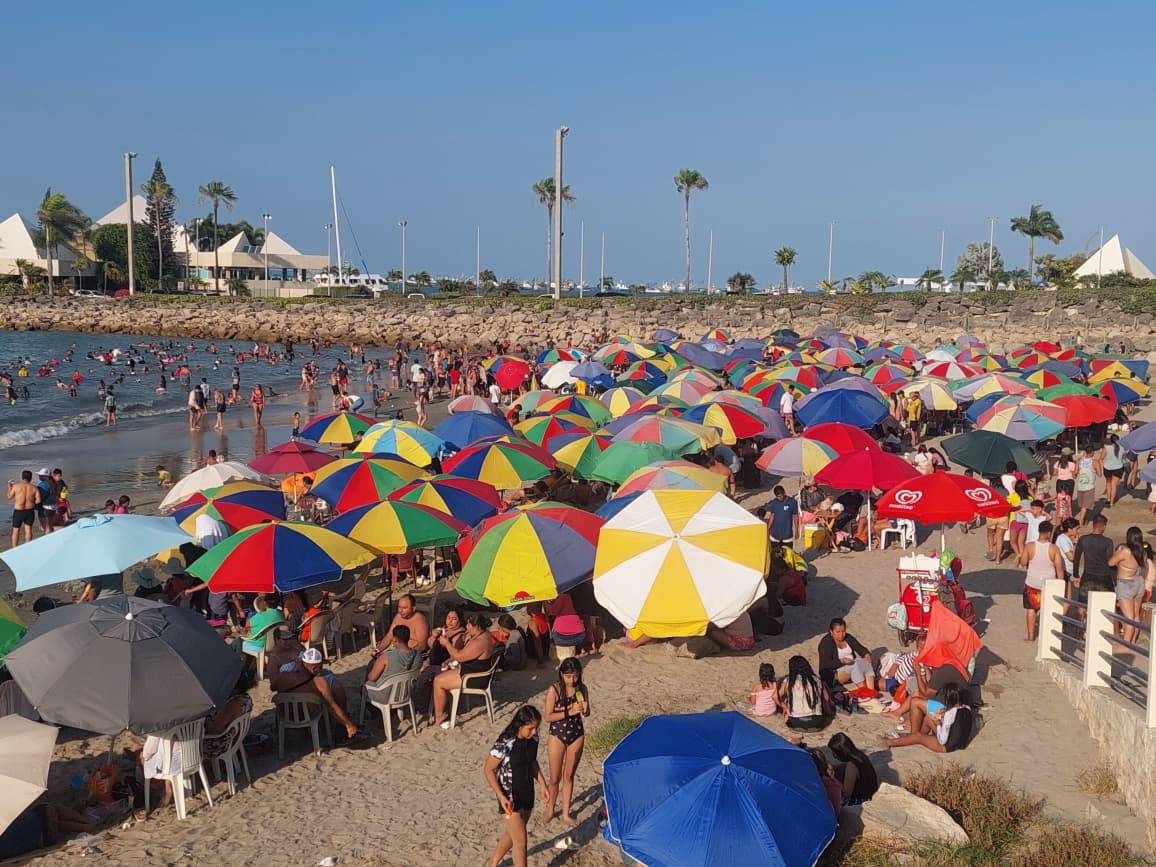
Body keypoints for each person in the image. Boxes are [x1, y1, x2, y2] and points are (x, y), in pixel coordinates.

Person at [483, 705, 549, 867]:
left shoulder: (533, 740)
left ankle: (493, 862)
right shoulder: (506, 742)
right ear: (520, 725)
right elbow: (488, 769)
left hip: (527, 792)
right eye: (531, 728)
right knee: (521, 842)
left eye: (536, 728)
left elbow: (532, 762)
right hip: (509, 796)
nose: (534, 732)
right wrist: (500, 796)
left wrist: (542, 784)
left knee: (513, 835)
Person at [270, 647, 360, 741]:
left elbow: (273, 687)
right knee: (329, 703)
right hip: (309, 716)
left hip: (286, 716)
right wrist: (349, 725)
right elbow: (332, 707)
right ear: (314, 668)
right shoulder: (319, 681)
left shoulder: (284, 677)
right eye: (320, 667)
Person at [543, 657, 591, 824]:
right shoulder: (554, 690)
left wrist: (584, 710)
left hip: (576, 733)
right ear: (562, 674)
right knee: (554, 777)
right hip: (558, 733)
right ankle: (550, 809)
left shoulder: (581, 689)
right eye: (568, 676)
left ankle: (565, 813)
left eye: (575, 676)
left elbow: (586, 713)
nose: (572, 679)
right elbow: (548, 716)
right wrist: (569, 711)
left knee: (569, 775)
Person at [431, 613, 495, 729]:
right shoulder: (483, 635)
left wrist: (447, 644)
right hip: (473, 670)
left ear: (477, 627)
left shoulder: (480, 642)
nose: (467, 627)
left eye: (469, 625)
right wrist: (450, 660)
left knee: (438, 681)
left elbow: (460, 656)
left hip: (474, 677)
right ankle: (445, 708)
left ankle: (439, 716)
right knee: (443, 672)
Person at [881, 683, 974, 753]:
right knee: (928, 719)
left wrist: (938, 724)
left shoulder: (951, 713)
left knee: (918, 737)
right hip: (960, 744)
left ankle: (888, 743)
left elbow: (942, 740)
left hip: (946, 747)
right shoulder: (967, 708)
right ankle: (912, 738)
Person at [1018, 520, 1063, 641]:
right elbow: (1059, 568)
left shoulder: (1030, 546)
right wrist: (1061, 583)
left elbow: (1023, 562)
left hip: (1032, 582)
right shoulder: (1054, 548)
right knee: (1048, 610)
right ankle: (1047, 635)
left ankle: (1030, 636)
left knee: (1031, 609)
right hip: (1049, 583)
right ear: (1049, 533)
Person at [1109, 526, 1151, 647]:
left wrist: (1117, 552)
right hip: (1138, 582)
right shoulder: (1143, 551)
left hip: (1125, 583)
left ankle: (1125, 645)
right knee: (1136, 615)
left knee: (1129, 618)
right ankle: (1132, 642)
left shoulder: (1125, 551)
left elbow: (1111, 562)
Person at [818, 617, 880, 691]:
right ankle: (864, 691)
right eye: (838, 632)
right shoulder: (826, 643)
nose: (841, 634)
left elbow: (860, 648)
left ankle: (871, 690)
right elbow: (825, 664)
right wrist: (841, 661)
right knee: (855, 665)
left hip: (850, 667)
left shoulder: (848, 637)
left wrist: (866, 654)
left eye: (843, 631)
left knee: (866, 661)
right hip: (833, 674)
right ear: (831, 631)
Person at [778, 655, 833, 731]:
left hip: (795, 722)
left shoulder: (788, 680)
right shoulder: (816, 680)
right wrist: (828, 713)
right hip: (816, 722)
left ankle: (789, 715)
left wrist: (785, 708)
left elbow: (775, 696)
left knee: (786, 700)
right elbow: (826, 698)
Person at [1073, 514, 1114, 608]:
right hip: (1104, 577)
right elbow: (1110, 562)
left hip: (1088, 575)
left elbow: (1076, 559)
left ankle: (1079, 622)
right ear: (1104, 526)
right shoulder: (1108, 542)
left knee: (1082, 605)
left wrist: (1076, 575)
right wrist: (1114, 580)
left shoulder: (1083, 539)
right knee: (1107, 606)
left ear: (1093, 525)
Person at [828, 732, 879, 805]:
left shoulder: (852, 766)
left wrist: (831, 777)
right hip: (870, 793)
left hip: (860, 800)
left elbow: (846, 793)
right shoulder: (860, 755)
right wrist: (835, 767)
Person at [546, 592, 586, 656]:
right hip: (579, 637)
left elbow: (552, 611)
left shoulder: (564, 597)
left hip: (561, 639)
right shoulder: (579, 597)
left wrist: (546, 602)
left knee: (554, 631)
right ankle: (580, 648)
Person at [7, 470, 40, 547]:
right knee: (28, 530)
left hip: (19, 511)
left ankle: (14, 548)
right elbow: (38, 500)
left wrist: (9, 487)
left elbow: (9, 497)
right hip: (29, 511)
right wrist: (31, 502)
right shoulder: (34, 488)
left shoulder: (16, 486)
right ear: (31, 478)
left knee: (16, 531)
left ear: (22, 477)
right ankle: (27, 548)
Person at [1074, 444, 1100, 525]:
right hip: (1089, 486)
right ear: (1092, 452)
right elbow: (1100, 474)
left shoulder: (1079, 460)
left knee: (1082, 505)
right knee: (1085, 505)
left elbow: (1075, 472)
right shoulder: (1094, 461)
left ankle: (1083, 518)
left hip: (1080, 485)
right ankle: (1081, 521)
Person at [1100, 434, 1125, 506]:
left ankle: (1108, 499)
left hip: (1108, 468)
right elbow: (1124, 458)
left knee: (1108, 484)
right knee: (1114, 485)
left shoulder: (1107, 448)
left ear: (1110, 440)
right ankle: (1112, 502)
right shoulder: (1122, 448)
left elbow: (1101, 458)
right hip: (1119, 468)